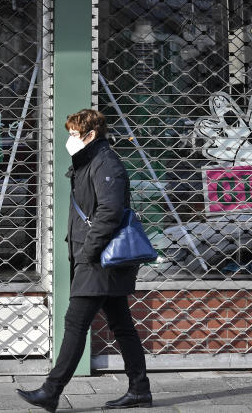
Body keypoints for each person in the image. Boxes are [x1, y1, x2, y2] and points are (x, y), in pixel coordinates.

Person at [17, 109, 152, 412]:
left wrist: (88, 252)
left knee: (76, 323)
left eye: (74, 134)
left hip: (99, 260)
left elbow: (109, 212)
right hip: (98, 259)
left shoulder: (106, 164)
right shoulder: (90, 162)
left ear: (90, 135)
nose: (69, 139)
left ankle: (51, 391)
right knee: (122, 325)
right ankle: (140, 389)